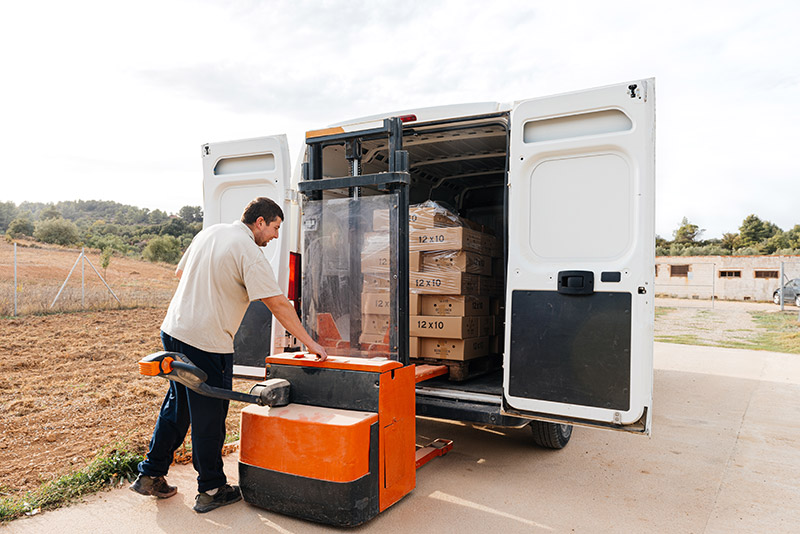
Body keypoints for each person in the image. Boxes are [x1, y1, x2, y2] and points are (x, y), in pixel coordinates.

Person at [130, 196, 327, 513]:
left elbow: (182, 275)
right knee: (209, 416)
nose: (276, 235)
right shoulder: (248, 250)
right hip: (205, 342)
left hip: (174, 330)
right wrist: (310, 343)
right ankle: (211, 488)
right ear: (260, 222)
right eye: (275, 227)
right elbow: (277, 303)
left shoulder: (209, 232)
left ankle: (151, 474)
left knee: (179, 405)